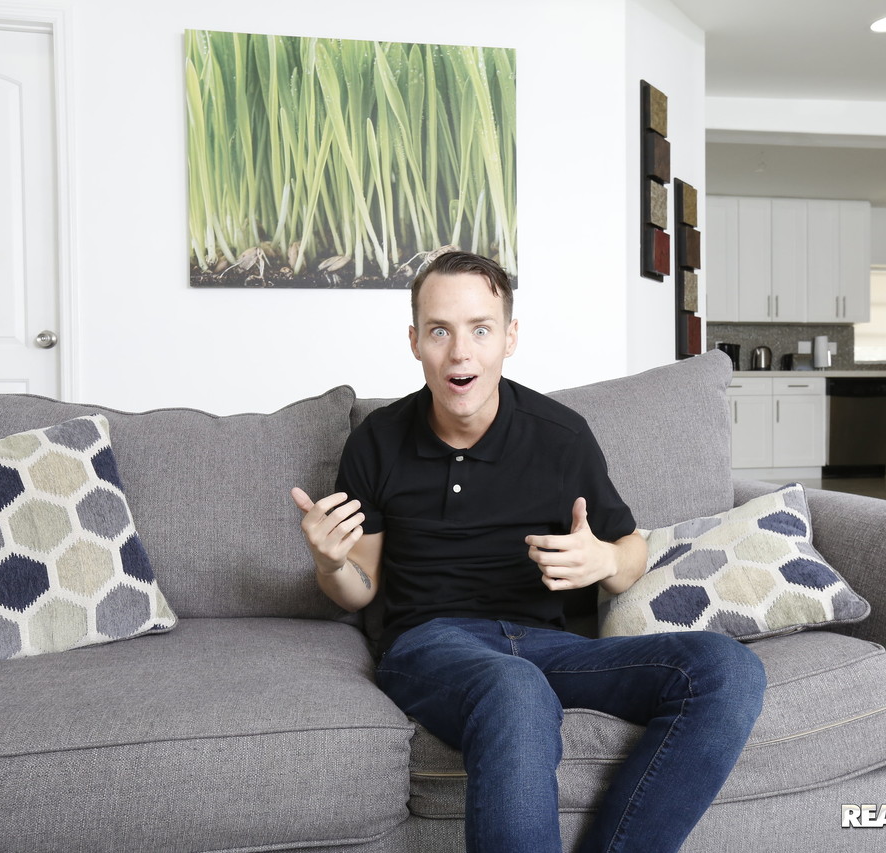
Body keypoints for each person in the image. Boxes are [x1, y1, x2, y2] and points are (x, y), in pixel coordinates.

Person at [291, 251, 766, 853]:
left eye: (480, 330)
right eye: (439, 331)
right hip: (429, 645)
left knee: (726, 669)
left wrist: (604, 561)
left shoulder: (560, 436)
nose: (460, 353)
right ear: (414, 342)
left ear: (509, 338)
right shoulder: (377, 441)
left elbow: (630, 551)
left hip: (547, 647)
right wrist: (331, 563)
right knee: (513, 687)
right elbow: (362, 587)